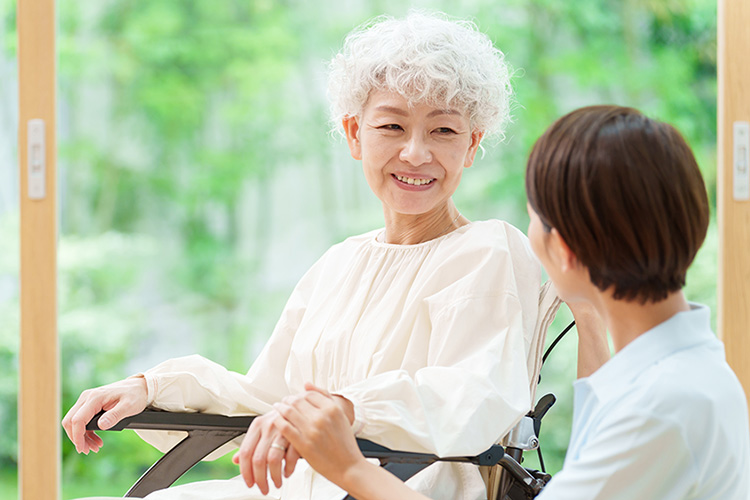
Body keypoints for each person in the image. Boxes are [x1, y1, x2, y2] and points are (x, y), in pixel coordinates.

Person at [63, 11, 559, 500]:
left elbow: (472, 394)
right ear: (353, 134)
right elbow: (268, 399)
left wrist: (342, 409)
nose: (414, 153)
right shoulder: (339, 264)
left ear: (472, 145)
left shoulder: (488, 248)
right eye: (391, 126)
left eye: (444, 132)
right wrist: (153, 388)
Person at [271, 105, 750, 500]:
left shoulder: (661, 409)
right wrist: (585, 311)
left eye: (534, 218)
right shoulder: (689, 376)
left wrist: (351, 469)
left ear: (562, 249)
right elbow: (594, 444)